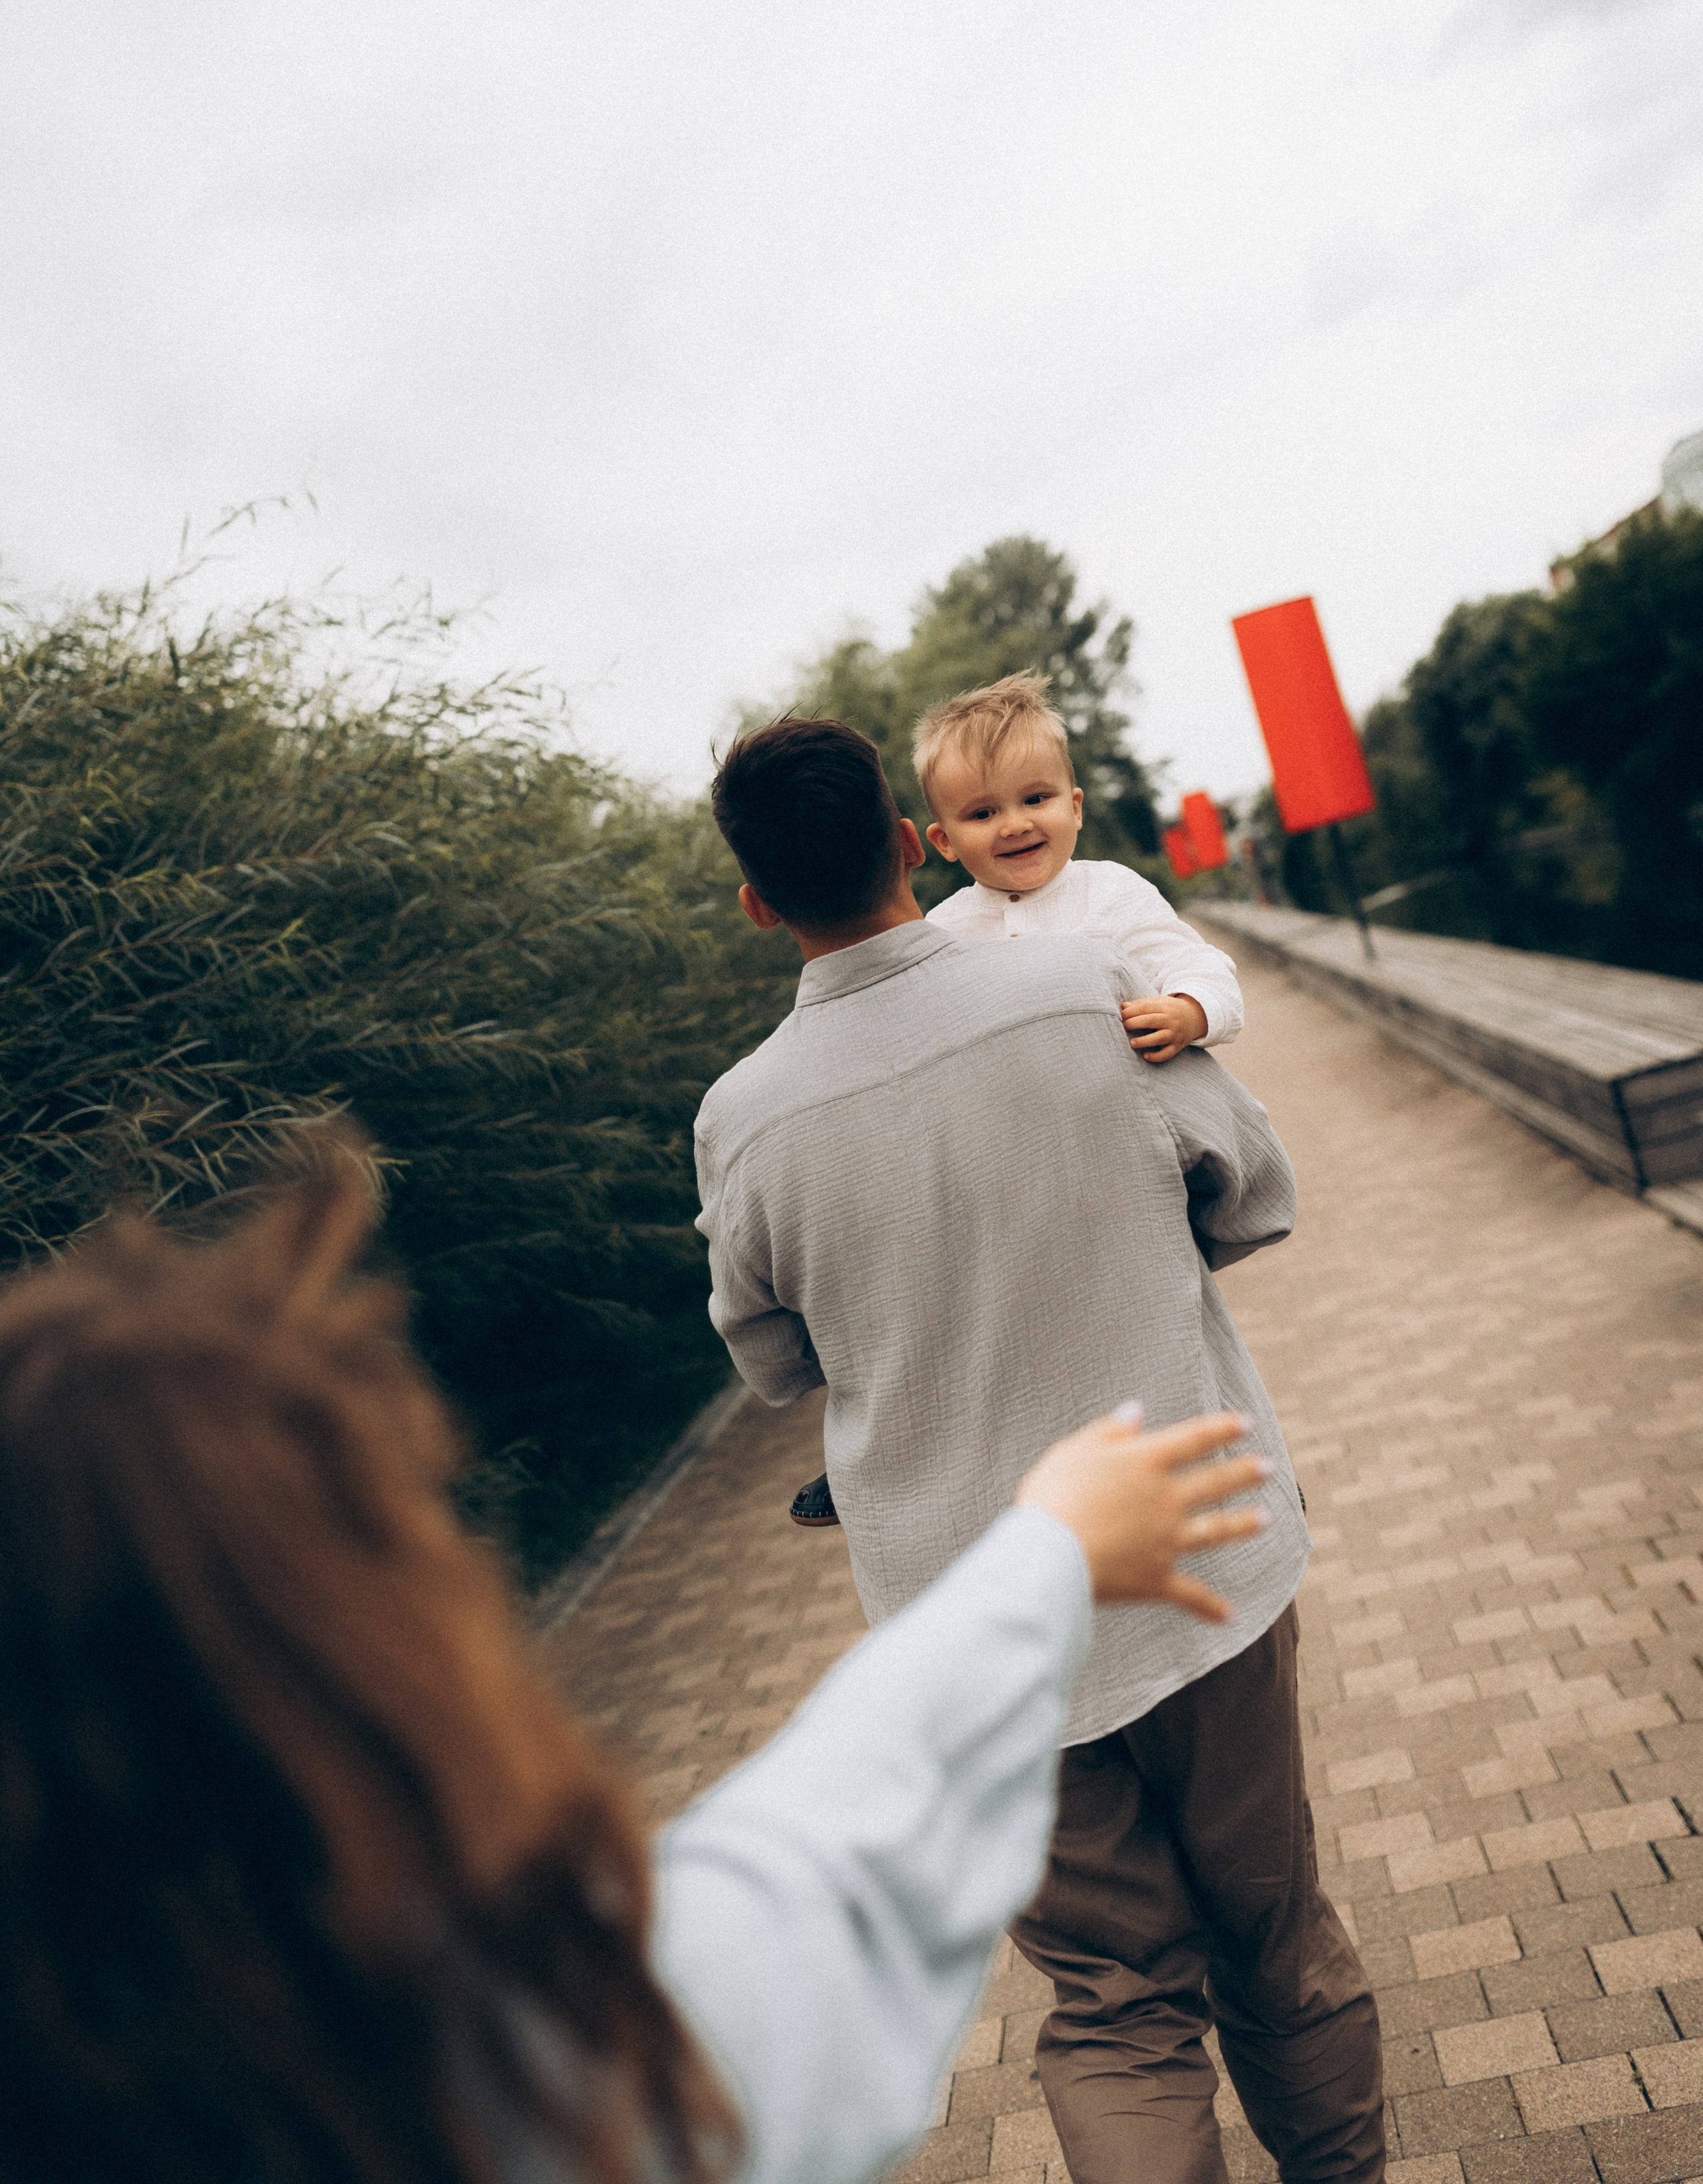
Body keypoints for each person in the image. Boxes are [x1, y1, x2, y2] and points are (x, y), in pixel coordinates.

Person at [0, 1137, 1269, 2184]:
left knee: (1114, 1990)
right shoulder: (575, 2076)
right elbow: (824, 1843)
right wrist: (1047, 1551)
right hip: (1159, 1616)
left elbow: (771, 1364)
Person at [698, 718, 1384, 2184]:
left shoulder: (740, 1121)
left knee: (1114, 1995)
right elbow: (1253, 1194)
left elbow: (770, 1366)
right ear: (907, 842)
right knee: (1274, 1930)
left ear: (756, 901)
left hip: (977, 1621)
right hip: (1198, 1548)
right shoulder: (1086, 987)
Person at [789, 669, 1244, 1530]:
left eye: (1035, 798)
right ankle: (872, 1452)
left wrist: (1188, 1013)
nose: (1016, 824)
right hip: (1008, 1156)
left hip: (1114, 1142)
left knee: (1139, 1321)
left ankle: (1216, 1461)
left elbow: (1204, 969)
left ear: (1076, 804)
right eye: (984, 812)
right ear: (943, 840)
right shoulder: (945, 933)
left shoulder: (1112, 896)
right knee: (937, 1266)